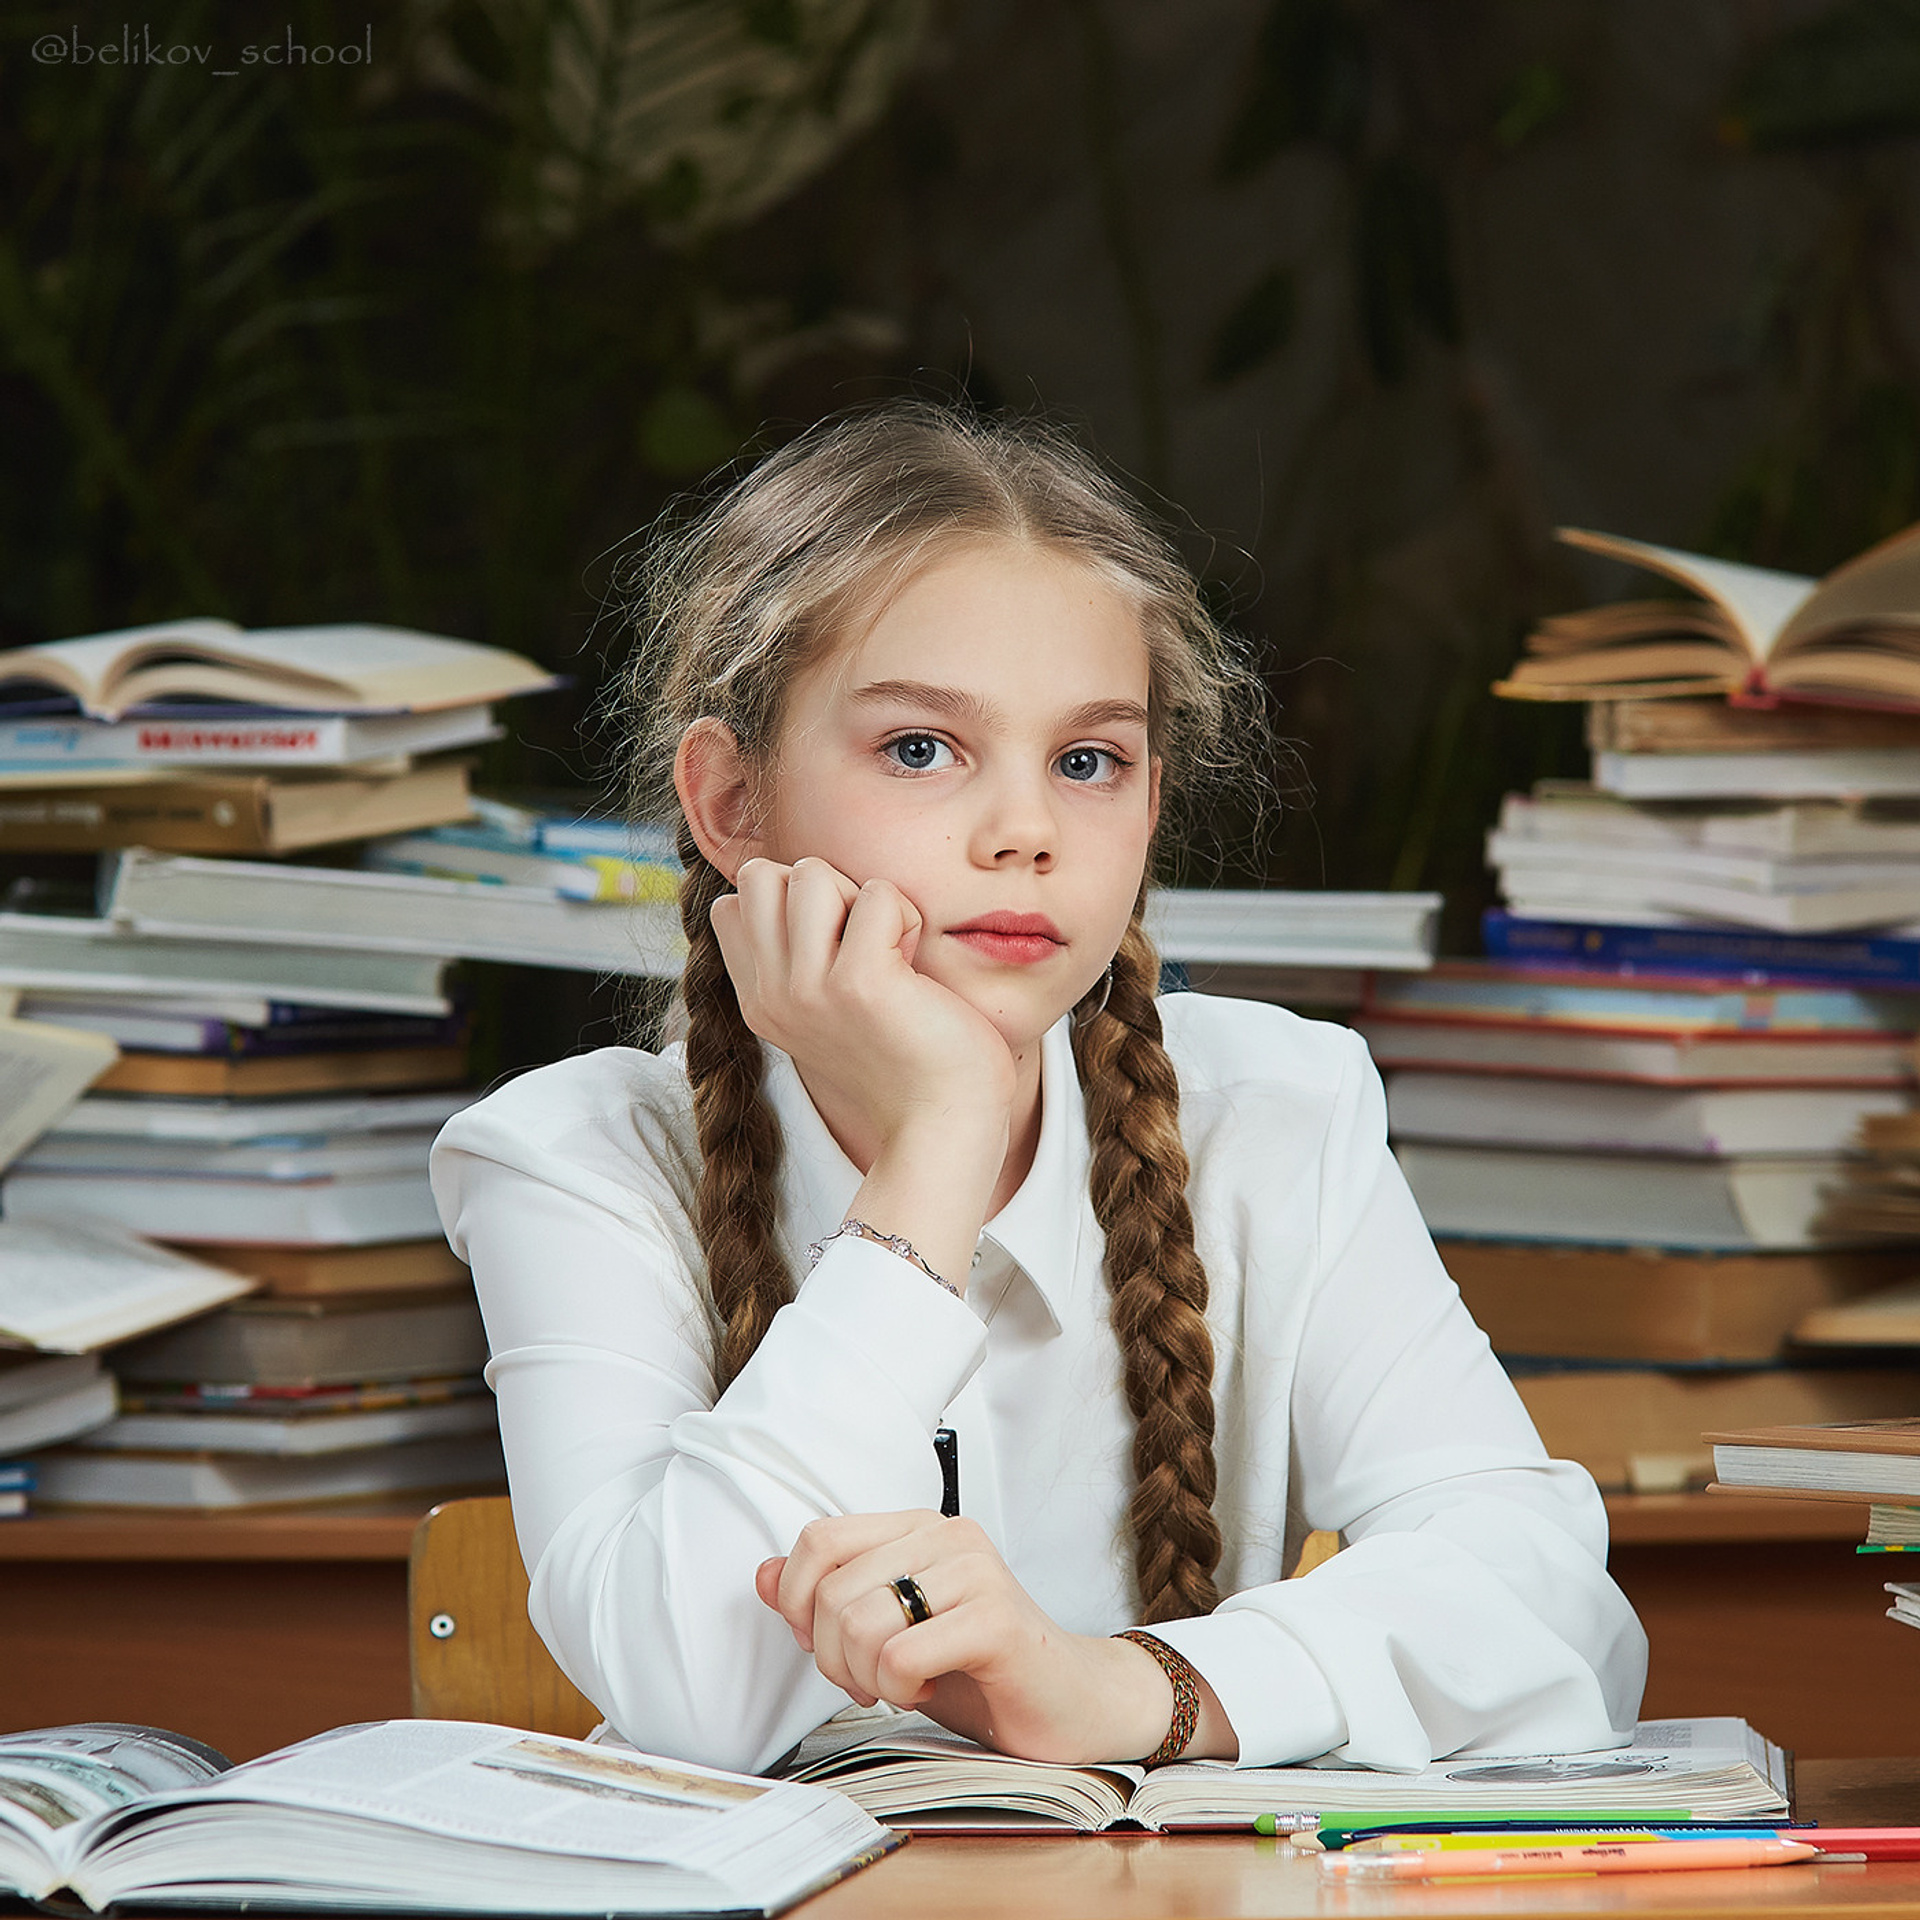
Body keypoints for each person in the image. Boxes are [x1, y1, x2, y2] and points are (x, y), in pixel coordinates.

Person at [430, 402, 1648, 1781]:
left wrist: (1127, 1691)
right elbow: (693, 1689)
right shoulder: (573, 1159)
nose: (1024, 832)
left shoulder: (1280, 1111)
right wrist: (937, 1145)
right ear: (731, 803)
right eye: (920, 749)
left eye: (1088, 762)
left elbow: (1557, 1613)